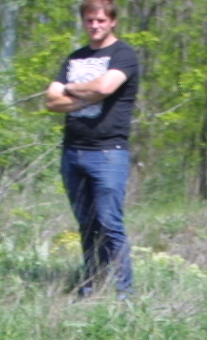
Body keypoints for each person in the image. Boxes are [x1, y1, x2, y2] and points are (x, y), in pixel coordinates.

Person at [45, 0, 141, 298]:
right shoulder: (75, 58)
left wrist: (71, 89)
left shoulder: (123, 55)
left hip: (108, 152)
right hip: (73, 151)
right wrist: (86, 95)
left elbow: (104, 88)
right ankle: (89, 288)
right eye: (89, 20)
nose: (95, 25)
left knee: (109, 223)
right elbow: (51, 100)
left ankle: (124, 294)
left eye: (100, 20)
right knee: (86, 225)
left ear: (112, 21)